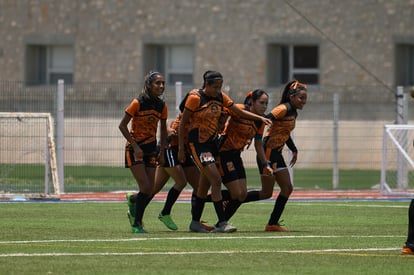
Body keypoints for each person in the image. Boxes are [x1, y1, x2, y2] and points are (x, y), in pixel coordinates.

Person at [178, 70, 272, 233]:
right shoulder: (195, 98)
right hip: (198, 144)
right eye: (215, 87)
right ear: (206, 84)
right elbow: (182, 122)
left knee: (205, 185)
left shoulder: (221, 97)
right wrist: (180, 148)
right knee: (215, 180)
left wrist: (259, 118)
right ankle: (222, 222)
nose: (217, 90)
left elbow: (238, 111)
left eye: (220, 87)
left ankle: (195, 222)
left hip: (212, 145)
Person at [212, 89, 273, 224]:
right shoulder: (239, 109)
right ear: (252, 102)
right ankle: (200, 198)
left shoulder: (260, 121)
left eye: (266, 103)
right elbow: (223, 112)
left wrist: (265, 164)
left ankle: (220, 224)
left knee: (242, 195)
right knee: (236, 194)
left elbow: (258, 145)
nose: (264, 106)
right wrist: (220, 123)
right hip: (223, 153)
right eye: (261, 103)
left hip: (236, 156)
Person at [119, 71, 168, 233]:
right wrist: (136, 146)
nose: (161, 86)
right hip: (135, 150)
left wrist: (161, 150)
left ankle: (133, 199)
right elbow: (122, 126)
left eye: (163, 83)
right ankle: (136, 225)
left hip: (152, 149)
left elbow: (163, 130)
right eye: (157, 83)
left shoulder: (162, 105)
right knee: (146, 188)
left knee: (149, 189)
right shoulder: (137, 102)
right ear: (148, 85)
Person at [256, 80, 307, 232]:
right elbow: (265, 119)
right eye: (301, 98)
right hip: (268, 151)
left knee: (287, 188)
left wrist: (293, 149)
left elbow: (285, 133)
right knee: (266, 193)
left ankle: (272, 224)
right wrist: (255, 139)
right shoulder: (283, 108)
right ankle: (232, 199)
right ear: (291, 97)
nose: (304, 101)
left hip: (277, 152)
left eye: (305, 98)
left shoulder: (293, 112)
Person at [153, 114, 213, 231]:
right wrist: (169, 133)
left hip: (184, 153)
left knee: (199, 186)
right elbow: (169, 128)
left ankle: (195, 221)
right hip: (170, 151)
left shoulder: (203, 119)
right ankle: (162, 212)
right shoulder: (187, 117)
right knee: (179, 182)